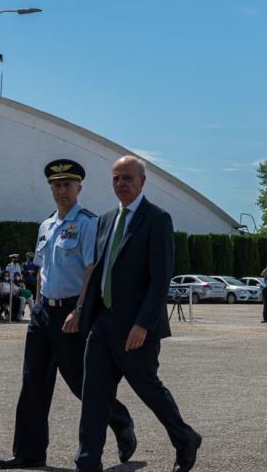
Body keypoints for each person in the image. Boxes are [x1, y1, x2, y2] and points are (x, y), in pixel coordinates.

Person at [0, 158, 136, 471]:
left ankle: (121, 420)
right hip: (45, 311)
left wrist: (79, 309)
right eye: (56, 185)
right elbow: (43, 267)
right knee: (33, 381)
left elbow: (91, 268)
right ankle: (29, 453)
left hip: (73, 311)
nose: (61, 190)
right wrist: (38, 304)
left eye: (67, 185)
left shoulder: (87, 223)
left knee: (79, 382)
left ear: (79, 188)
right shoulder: (46, 225)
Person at [72, 155, 201, 472]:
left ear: (142, 181)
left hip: (135, 326)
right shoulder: (105, 220)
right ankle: (87, 463)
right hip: (102, 322)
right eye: (116, 178)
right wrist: (80, 310)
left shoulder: (157, 219)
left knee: (148, 388)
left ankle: (185, 439)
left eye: (127, 178)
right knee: (94, 395)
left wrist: (144, 323)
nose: (120, 184)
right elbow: (98, 268)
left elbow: (160, 278)